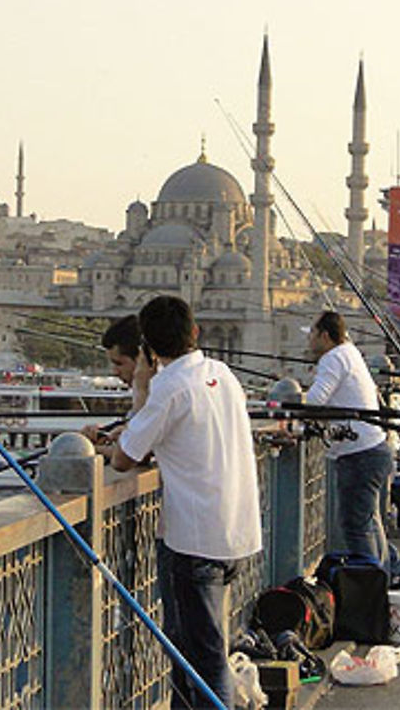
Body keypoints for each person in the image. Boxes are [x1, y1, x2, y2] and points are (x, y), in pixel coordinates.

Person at [111, 295, 261, 708]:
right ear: (195, 332)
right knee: (191, 652)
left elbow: (126, 458)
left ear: (149, 348)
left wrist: (141, 383)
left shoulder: (169, 387)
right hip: (237, 532)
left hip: (195, 542)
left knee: (204, 663)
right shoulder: (223, 373)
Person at [304, 311, 400, 585]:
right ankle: (390, 570)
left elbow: (315, 401)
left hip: (358, 455)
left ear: (325, 336)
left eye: (312, 333)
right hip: (374, 449)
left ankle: (371, 590)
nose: (309, 339)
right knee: (369, 520)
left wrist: (297, 401)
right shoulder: (349, 352)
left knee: (356, 526)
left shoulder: (333, 358)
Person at [81, 315, 140, 448]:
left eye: (119, 364)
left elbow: (127, 458)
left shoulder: (161, 396)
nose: (115, 372)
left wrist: (89, 448)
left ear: (142, 359)